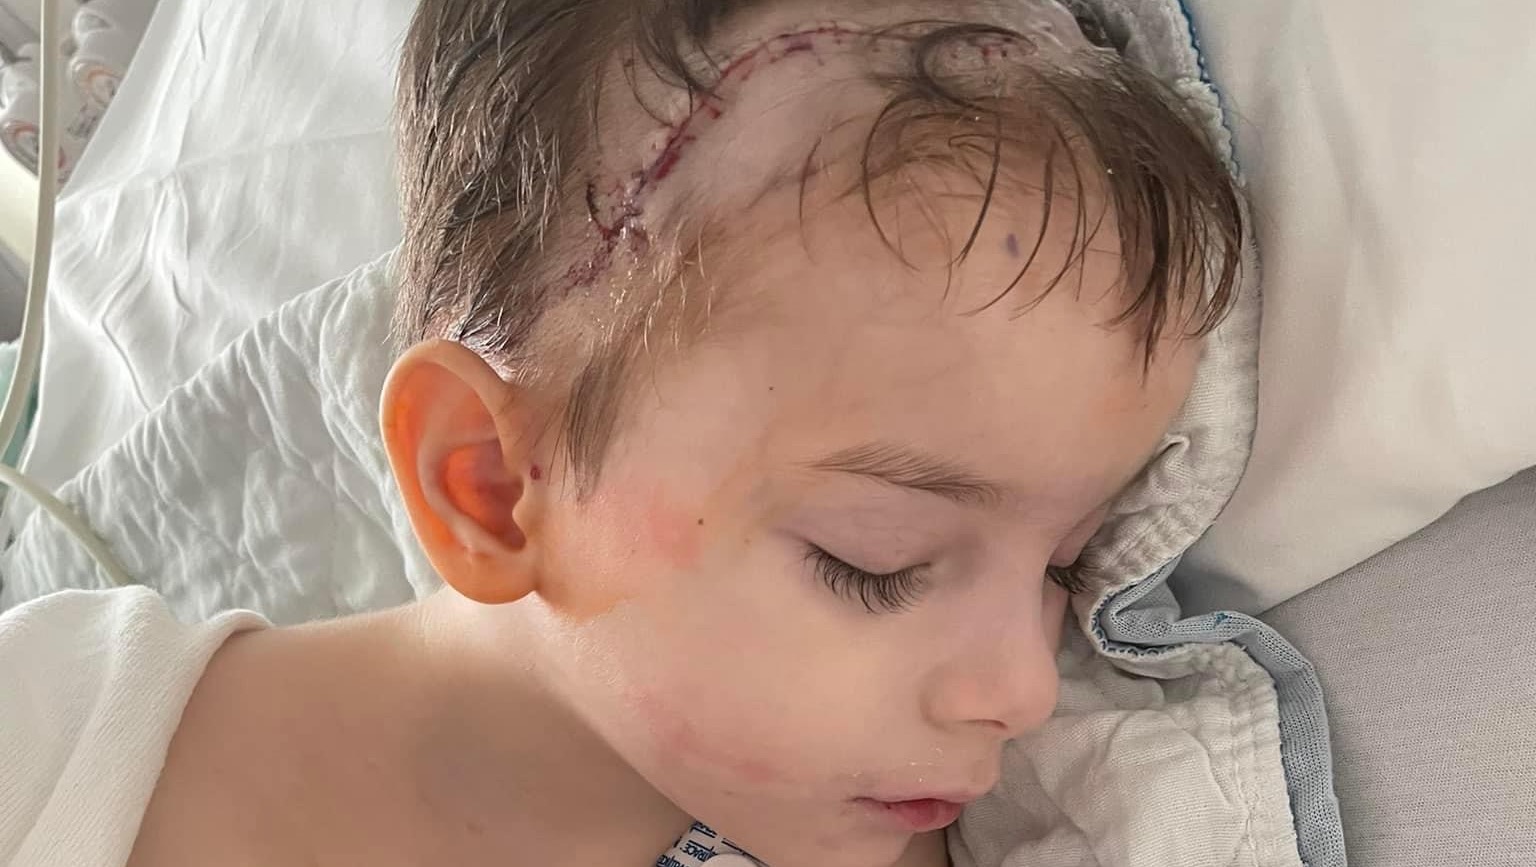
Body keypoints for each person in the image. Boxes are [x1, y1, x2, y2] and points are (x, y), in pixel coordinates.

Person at [0, 1, 1242, 865]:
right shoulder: (38, 738)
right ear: (490, 484)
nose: (1023, 690)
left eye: (1070, 563)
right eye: (878, 564)